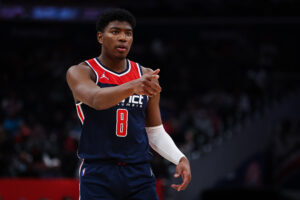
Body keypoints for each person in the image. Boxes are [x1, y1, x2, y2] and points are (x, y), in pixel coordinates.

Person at [66, 8, 191, 200]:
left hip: (139, 174)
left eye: (128, 33)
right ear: (100, 37)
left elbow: (154, 131)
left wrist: (179, 158)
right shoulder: (82, 72)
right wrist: (132, 86)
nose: (123, 38)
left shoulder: (145, 75)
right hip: (99, 173)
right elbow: (97, 99)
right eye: (115, 32)